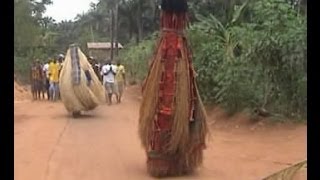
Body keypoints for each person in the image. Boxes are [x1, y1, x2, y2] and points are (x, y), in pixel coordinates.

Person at [138, 0, 208, 177]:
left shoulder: (167, 11)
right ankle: (177, 159)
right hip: (178, 53)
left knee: (165, 101)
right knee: (180, 104)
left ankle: (166, 158)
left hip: (168, 51)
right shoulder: (181, 11)